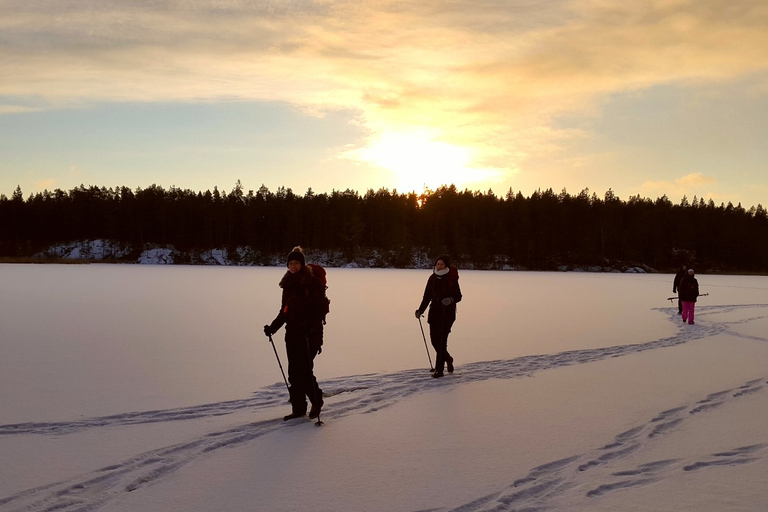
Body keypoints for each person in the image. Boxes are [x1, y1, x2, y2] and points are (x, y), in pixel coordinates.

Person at [264, 246, 325, 420]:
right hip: (292, 334)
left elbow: (319, 310)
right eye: (290, 263)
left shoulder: (311, 282)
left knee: (304, 371)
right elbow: (285, 310)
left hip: (310, 335)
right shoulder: (288, 284)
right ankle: (298, 408)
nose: (293, 266)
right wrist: (272, 328)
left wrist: (310, 326)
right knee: (293, 373)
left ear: (302, 264)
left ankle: (316, 401)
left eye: (296, 263)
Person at [415, 255, 462, 378]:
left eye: (442, 264)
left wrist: (450, 299)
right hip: (434, 312)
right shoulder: (432, 278)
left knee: (441, 341)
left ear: (446, 265)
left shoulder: (451, 278)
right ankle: (448, 359)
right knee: (434, 341)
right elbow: (426, 297)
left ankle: (439, 370)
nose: (439, 266)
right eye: (438, 264)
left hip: (447, 313)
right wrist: (420, 310)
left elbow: (458, 296)